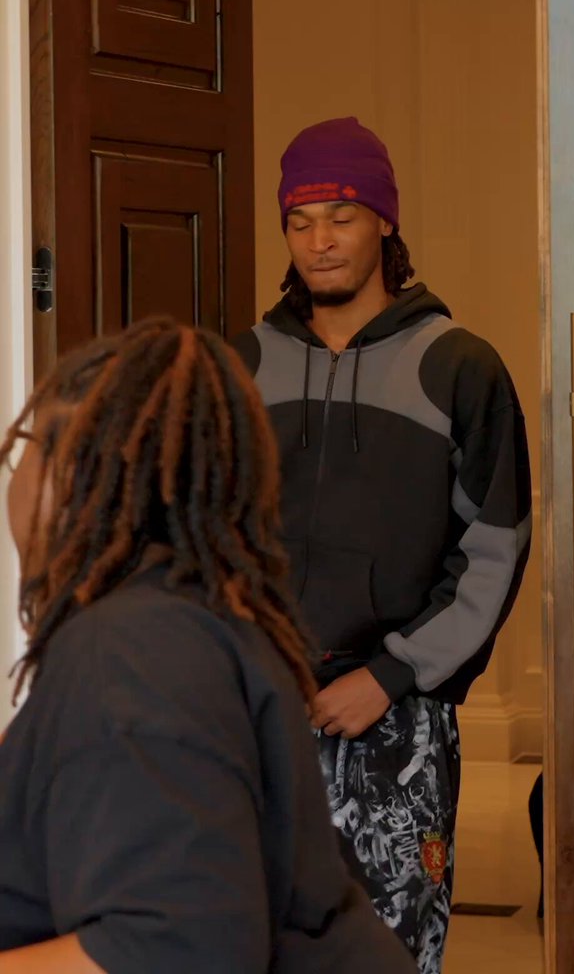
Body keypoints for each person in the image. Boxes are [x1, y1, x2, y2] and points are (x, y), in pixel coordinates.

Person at [0, 318, 416, 974]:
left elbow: (173, 953)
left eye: (22, 444)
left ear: (72, 463)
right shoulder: (175, 624)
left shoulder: (134, 648)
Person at [233, 116, 532, 973]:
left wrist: (392, 675)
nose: (319, 241)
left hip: (396, 713)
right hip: (261, 703)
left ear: (383, 222)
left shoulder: (458, 366)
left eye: (341, 215)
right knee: (245, 941)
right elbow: (204, 531)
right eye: (299, 221)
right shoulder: (241, 362)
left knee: (392, 953)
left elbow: (494, 546)